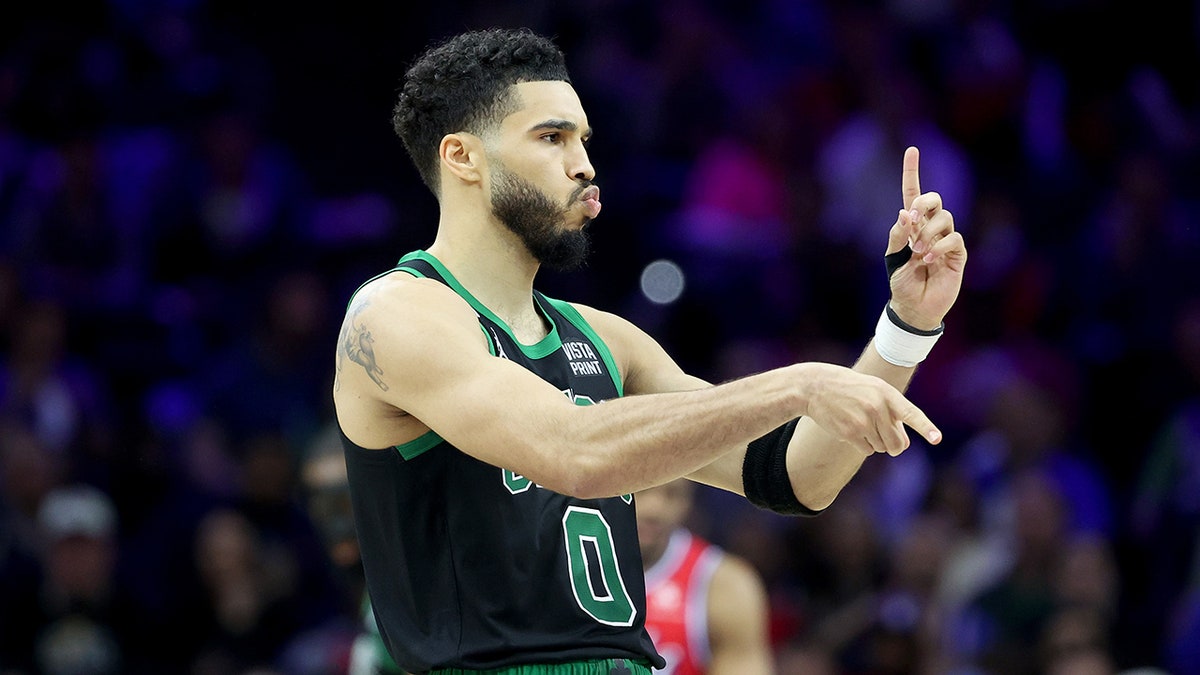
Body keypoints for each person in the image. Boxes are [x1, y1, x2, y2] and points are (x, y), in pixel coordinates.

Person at [332, 27, 967, 675]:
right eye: (552, 138)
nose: (584, 164)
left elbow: (794, 475)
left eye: (584, 140)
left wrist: (907, 325)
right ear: (463, 157)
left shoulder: (605, 338)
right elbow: (572, 450)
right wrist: (796, 383)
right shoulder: (396, 314)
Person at [636, 478, 774, 675]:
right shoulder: (576, 562)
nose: (654, 509)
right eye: (640, 490)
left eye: (673, 494)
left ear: (689, 501)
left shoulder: (723, 585)